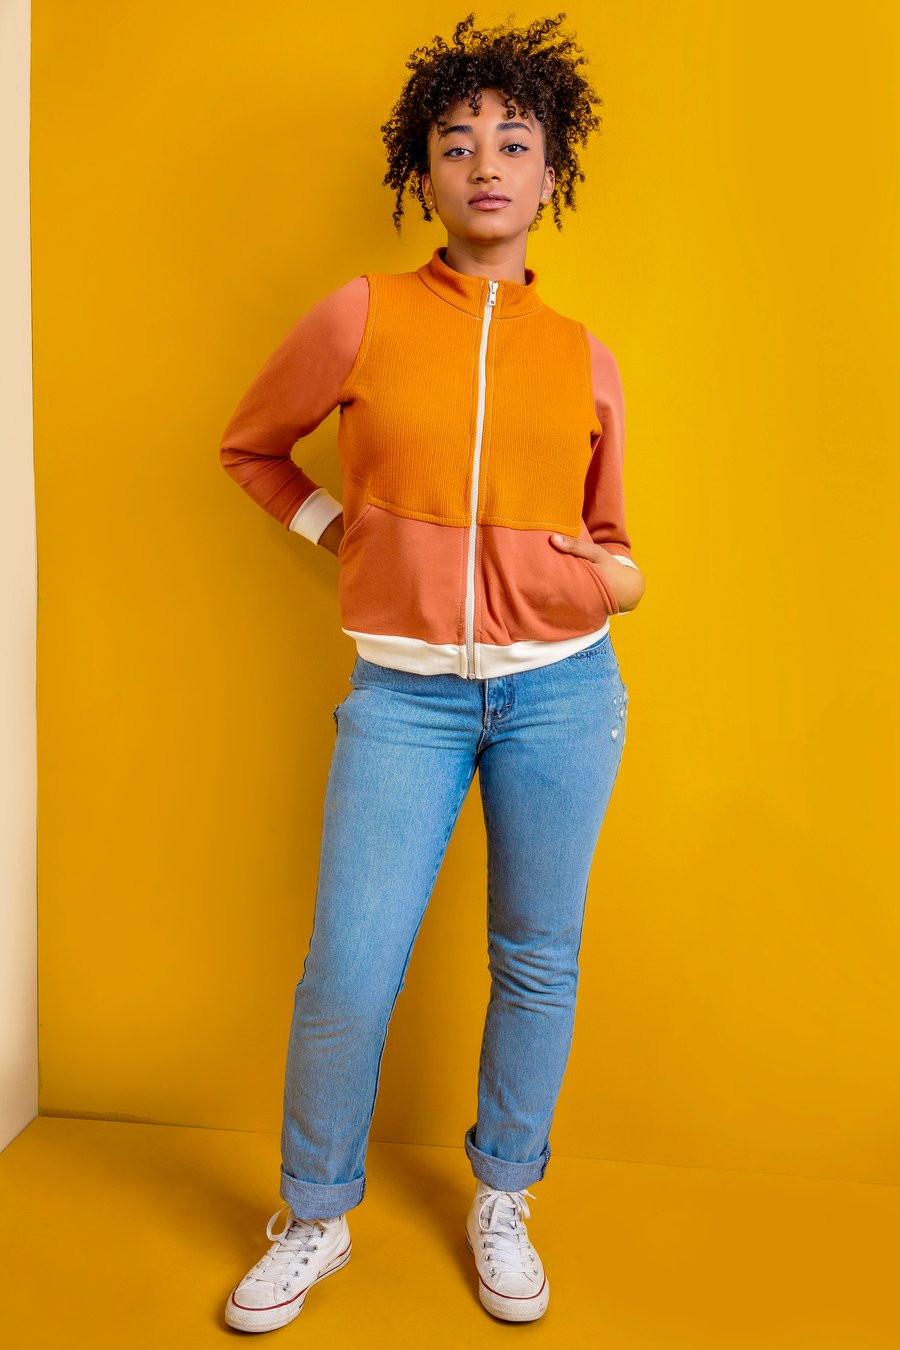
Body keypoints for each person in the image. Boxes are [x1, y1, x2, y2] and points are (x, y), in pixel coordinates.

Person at [220, 11, 645, 1332]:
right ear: (425, 172)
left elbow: (616, 540)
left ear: (550, 171)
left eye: (514, 142)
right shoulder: (363, 315)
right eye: (457, 143)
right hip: (404, 698)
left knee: (538, 959)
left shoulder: (583, 353)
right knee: (350, 966)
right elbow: (251, 448)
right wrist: (340, 530)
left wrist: (617, 581)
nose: (486, 164)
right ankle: (316, 1211)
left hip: (564, 691)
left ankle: (503, 1194)